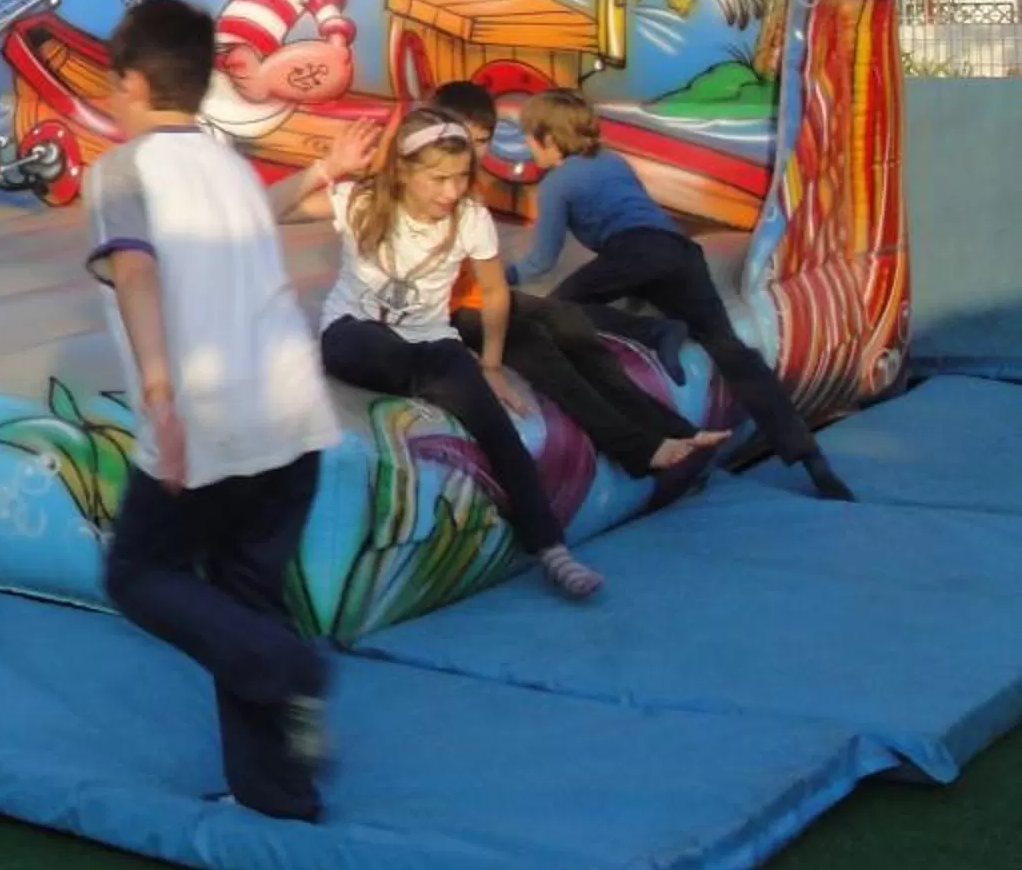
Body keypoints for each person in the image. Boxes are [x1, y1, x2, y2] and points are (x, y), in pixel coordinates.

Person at [86, 0, 373, 822]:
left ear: (135, 83)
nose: (110, 95)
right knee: (245, 598)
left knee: (139, 575)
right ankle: (277, 792)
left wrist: (160, 395)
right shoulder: (223, 161)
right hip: (293, 417)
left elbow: (136, 272)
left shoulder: (123, 170)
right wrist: (320, 174)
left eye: (114, 81)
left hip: (210, 418)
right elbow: (260, 215)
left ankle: (291, 667)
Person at [309, 105, 607, 599]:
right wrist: (327, 170)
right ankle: (431, 379)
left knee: (496, 427)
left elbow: (494, 292)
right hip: (355, 336)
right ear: (404, 171)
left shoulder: (470, 218)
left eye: (460, 177)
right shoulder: (362, 202)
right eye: (438, 178)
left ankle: (553, 549)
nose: (451, 191)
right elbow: (271, 207)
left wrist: (489, 364)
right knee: (370, 344)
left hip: (432, 346)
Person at [513, 88, 855, 500]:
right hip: (678, 253)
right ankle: (810, 458)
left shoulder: (557, 182)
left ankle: (657, 331)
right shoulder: (610, 160)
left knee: (558, 310)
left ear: (548, 138)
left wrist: (496, 275)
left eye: (529, 139)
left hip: (633, 252)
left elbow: (541, 261)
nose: (529, 150)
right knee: (732, 352)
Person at [426, 81, 729, 477]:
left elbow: (489, 272)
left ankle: (676, 430)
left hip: (476, 296)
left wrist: (496, 282)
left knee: (569, 322)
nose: (472, 151)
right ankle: (637, 449)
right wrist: (491, 362)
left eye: (483, 141)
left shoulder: (472, 189)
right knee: (537, 345)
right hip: (440, 309)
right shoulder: (427, 187)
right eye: (461, 139)